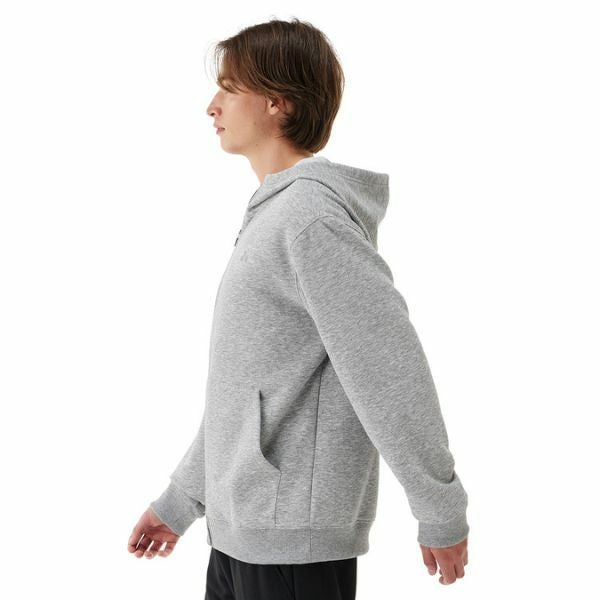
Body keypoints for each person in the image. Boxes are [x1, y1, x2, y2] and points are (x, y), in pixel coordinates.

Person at [127, 17, 470, 598]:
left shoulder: (310, 219)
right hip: (240, 537)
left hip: (291, 544)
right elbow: (245, 388)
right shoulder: (273, 216)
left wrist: (439, 506)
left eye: (229, 88)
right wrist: (181, 500)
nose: (212, 106)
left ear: (276, 102)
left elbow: (388, 367)